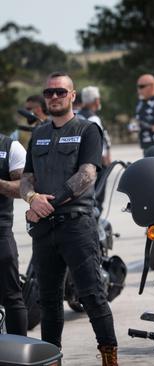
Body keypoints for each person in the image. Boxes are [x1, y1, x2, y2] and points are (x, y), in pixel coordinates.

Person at [20, 72, 118, 365]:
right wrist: (31, 198)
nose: (53, 97)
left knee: (93, 297)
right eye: (48, 93)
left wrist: (51, 201)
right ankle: (52, 360)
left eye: (60, 92)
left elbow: (87, 174)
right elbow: (26, 178)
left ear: (73, 96)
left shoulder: (88, 130)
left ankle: (109, 358)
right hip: (43, 230)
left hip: (77, 226)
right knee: (48, 303)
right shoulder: (37, 134)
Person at [0, 132, 28, 336]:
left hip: (0, 234)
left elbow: (24, 187)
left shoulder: (10, 146)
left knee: (12, 296)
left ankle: (19, 353)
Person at [78, 86, 112, 167]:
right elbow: (98, 140)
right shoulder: (93, 118)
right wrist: (104, 156)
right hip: (94, 161)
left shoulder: (76, 116)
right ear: (96, 100)